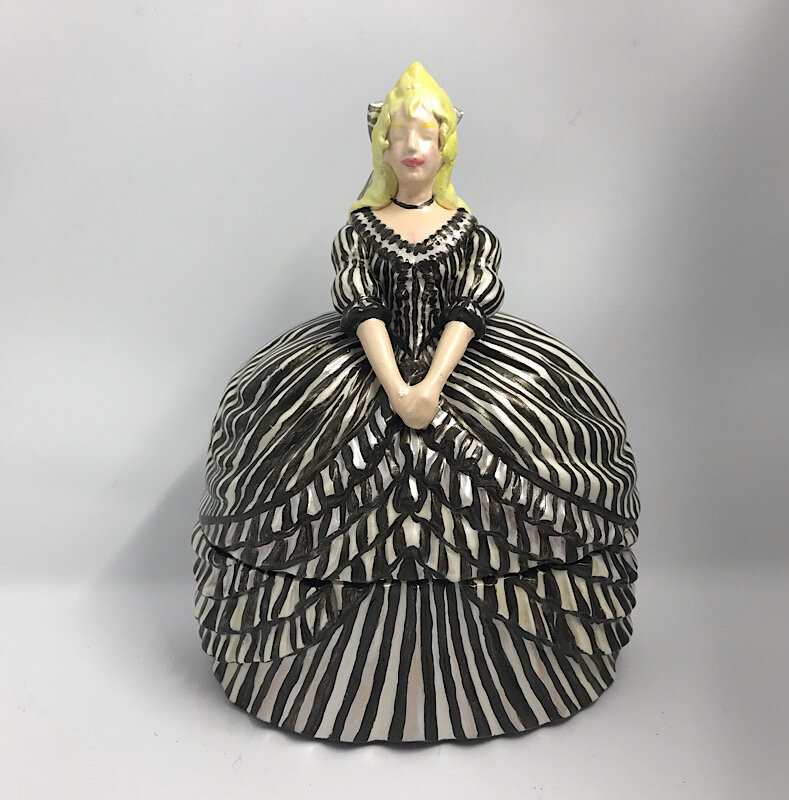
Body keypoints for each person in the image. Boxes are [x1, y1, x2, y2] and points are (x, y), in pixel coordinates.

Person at [192, 62, 640, 743]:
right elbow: (360, 307)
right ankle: (312, 674)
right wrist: (399, 390)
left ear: (446, 145)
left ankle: (521, 666)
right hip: (361, 365)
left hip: (462, 363)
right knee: (280, 437)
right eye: (398, 134)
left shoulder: (470, 231)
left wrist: (431, 385)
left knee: (546, 438)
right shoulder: (359, 230)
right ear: (381, 146)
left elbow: (471, 307)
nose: (411, 147)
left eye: (425, 134)